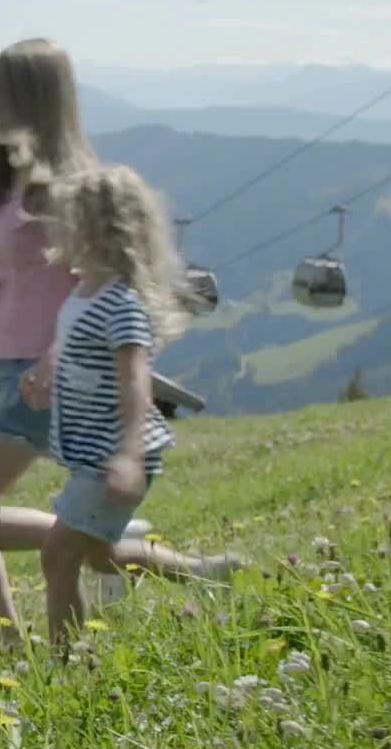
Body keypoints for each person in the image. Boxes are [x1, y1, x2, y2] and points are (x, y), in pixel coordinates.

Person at [0, 39, 230, 642]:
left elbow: (114, 284)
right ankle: (8, 646)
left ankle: (118, 543)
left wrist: (61, 360)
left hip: (44, 380)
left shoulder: (75, 190)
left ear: (31, 102)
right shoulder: (8, 188)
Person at [31, 167, 241, 641]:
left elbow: (134, 378)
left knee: (57, 556)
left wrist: (126, 457)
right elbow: (71, 341)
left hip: (116, 455)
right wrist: (47, 369)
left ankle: (65, 668)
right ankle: (201, 573)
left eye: (65, 219)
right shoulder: (84, 291)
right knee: (98, 556)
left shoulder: (120, 304)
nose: (54, 228)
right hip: (95, 453)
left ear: (95, 230)